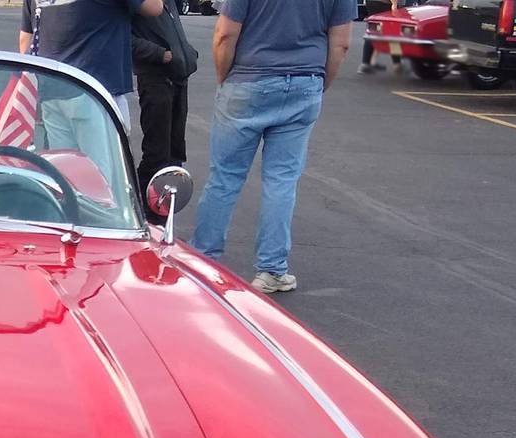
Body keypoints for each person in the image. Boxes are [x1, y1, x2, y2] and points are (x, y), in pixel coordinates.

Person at [190, 0, 353, 294]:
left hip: (248, 78)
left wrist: (225, 79)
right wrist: (318, 83)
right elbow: (340, 44)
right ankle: (272, 269)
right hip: (305, 80)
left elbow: (225, 34)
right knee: (282, 180)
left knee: (224, 178)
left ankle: (203, 259)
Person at [19, 0, 164, 156]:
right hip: (95, 90)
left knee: (65, 169)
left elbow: (25, 40)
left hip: (53, 88)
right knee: (105, 172)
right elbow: (155, 7)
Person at [131, 0, 198, 211]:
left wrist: (186, 52)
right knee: (157, 154)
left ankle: (164, 212)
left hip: (178, 79)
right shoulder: (140, 5)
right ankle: (140, 210)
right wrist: (159, 54)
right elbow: (122, 37)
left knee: (175, 153)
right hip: (155, 80)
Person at [359, 0, 404, 75]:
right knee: (393, 33)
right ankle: (397, 64)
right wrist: (394, 4)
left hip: (371, 2)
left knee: (374, 31)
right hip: (384, 4)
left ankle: (366, 63)